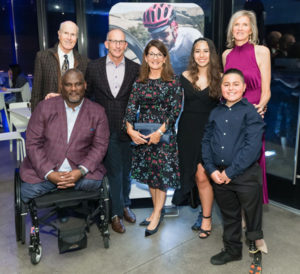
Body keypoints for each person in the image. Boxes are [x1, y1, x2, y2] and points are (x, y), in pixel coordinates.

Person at [202, 69, 265, 274]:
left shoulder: (251, 113)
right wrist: (211, 170)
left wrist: (231, 172)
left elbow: (252, 148)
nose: (231, 88)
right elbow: (206, 141)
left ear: (244, 87)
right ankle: (232, 250)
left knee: (252, 216)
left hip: (245, 175)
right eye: (226, 84)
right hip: (219, 175)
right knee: (229, 215)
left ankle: (255, 249)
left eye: (235, 84)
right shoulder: (215, 112)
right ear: (221, 88)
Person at [20, 69, 109, 203]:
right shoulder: (44, 108)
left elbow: (100, 146)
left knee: (95, 183)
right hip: (48, 170)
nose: (73, 89)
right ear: (61, 87)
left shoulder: (97, 112)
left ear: (85, 85)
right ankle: (60, 187)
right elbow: (33, 144)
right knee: (28, 190)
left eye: (78, 84)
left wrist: (80, 171)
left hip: (80, 173)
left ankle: (60, 189)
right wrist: (49, 174)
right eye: (68, 85)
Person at [124, 40, 182, 237]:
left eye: (159, 54)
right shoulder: (140, 82)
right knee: (151, 174)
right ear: (146, 58)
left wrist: (160, 133)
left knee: (161, 175)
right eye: (152, 54)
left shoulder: (173, 81)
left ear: (165, 58)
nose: (155, 58)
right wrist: (130, 129)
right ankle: (157, 209)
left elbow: (175, 111)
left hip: (164, 135)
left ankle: (157, 212)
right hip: (143, 134)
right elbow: (131, 108)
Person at [85, 29, 140, 234]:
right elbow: (87, 96)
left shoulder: (136, 69)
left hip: (128, 129)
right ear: (106, 44)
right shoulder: (94, 67)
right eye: (113, 41)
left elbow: (138, 98)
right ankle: (115, 214)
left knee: (127, 172)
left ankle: (125, 204)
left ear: (126, 45)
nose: (117, 45)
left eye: (121, 42)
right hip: (104, 130)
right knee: (115, 172)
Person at [172, 38, 222, 237]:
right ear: (193, 55)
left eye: (205, 51)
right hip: (187, 131)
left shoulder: (220, 77)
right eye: (197, 51)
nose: (201, 55)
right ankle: (202, 208)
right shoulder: (184, 76)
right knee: (192, 174)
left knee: (202, 174)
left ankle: (206, 218)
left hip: (210, 131)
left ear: (211, 54)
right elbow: (173, 105)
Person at [223, 10, 271, 205]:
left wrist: (260, 108)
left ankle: (251, 217)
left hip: (252, 118)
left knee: (251, 166)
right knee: (231, 163)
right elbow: (225, 89)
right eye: (236, 24)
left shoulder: (261, 51)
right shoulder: (226, 55)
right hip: (230, 118)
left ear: (251, 29)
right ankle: (237, 211)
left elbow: (266, 90)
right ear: (231, 29)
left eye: (244, 24)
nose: (240, 28)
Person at [30, 21, 89, 111]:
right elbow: (36, 94)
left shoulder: (85, 62)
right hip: (49, 115)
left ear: (76, 38)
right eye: (66, 33)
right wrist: (36, 119)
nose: (69, 38)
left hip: (75, 115)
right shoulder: (42, 57)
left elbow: (87, 94)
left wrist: (62, 97)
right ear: (59, 34)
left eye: (73, 34)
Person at [143, 3, 202, 74]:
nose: (159, 40)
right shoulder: (149, 47)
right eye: (154, 36)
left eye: (164, 34)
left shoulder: (192, 38)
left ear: (175, 28)